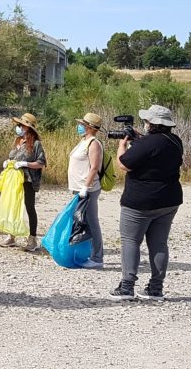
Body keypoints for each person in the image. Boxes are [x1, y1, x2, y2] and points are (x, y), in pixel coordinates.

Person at [109, 105, 184, 301]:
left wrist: (121, 147)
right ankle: (156, 288)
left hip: (140, 201)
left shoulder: (147, 144)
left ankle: (127, 286)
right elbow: (155, 149)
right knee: (159, 243)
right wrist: (140, 138)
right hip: (169, 199)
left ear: (151, 123)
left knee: (131, 240)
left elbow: (124, 164)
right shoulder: (175, 141)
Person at [0, 113, 47, 252]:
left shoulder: (36, 144)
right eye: (18, 125)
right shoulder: (17, 141)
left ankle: (32, 238)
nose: (18, 127)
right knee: (12, 206)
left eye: (21, 125)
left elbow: (41, 162)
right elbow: (12, 157)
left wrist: (25, 164)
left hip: (28, 180)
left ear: (28, 127)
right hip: (13, 180)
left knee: (29, 207)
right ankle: (11, 236)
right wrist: (8, 162)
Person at [67, 112, 105, 269]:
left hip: (87, 189)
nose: (79, 127)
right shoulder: (84, 141)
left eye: (82, 125)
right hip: (78, 188)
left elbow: (94, 167)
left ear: (89, 127)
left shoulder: (94, 143)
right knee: (84, 221)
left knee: (92, 222)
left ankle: (97, 257)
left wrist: (85, 187)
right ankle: (87, 252)